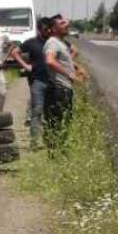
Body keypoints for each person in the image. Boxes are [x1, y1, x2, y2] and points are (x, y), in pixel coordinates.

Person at [11, 17, 52, 149]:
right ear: (40, 29)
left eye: (50, 28)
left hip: (53, 82)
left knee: (50, 112)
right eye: (46, 29)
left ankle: (49, 140)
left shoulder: (53, 42)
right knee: (37, 111)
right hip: (37, 81)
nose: (49, 31)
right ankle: (34, 143)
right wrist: (25, 65)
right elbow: (15, 52)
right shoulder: (31, 43)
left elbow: (71, 50)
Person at [43, 14, 81, 150]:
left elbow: (59, 61)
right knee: (58, 125)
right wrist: (69, 74)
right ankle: (56, 154)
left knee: (64, 123)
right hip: (58, 91)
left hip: (63, 89)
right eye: (62, 23)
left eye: (67, 22)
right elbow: (50, 60)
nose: (67, 24)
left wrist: (74, 66)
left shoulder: (60, 43)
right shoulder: (53, 42)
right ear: (53, 28)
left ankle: (60, 151)